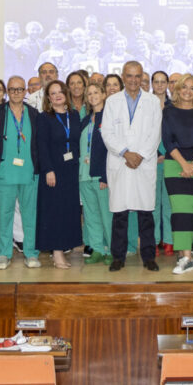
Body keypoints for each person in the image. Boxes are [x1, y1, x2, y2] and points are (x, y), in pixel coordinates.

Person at [101, 61, 163, 272]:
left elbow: (156, 133)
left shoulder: (153, 101)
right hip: (120, 161)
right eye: (129, 76)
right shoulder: (112, 102)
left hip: (143, 163)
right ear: (123, 77)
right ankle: (118, 257)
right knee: (120, 214)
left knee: (146, 213)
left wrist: (141, 155)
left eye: (138, 76)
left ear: (142, 77)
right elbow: (107, 133)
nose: (134, 80)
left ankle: (148, 256)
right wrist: (125, 153)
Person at [0, 76, 41, 270]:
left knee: (30, 215)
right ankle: (4, 254)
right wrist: (0, 160)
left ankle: (31, 253)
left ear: (25, 92)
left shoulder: (34, 114)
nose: (16, 93)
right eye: (12, 89)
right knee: (4, 214)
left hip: (29, 172)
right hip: (5, 173)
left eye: (20, 89)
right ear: (8, 92)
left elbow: (39, 142)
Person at [161, 74, 193, 275]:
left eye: (192, 88)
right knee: (179, 212)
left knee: (190, 212)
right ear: (177, 90)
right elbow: (168, 141)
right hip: (175, 165)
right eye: (184, 87)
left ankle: (186, 256)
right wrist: (184, 164)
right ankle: (187, 257)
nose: (188, 91)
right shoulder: (169, 111)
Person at [34, 80, 83, 269]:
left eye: (60, 92)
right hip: (53, 171)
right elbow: (42, 146)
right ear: (48, 98)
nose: (57, 95)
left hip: (71, 170)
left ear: (65, 93)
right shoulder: (44, 117)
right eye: (53, 93)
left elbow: (76, 143)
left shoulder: (75, 115)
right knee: (54, 212)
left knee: (69, 212)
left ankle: (64, 247)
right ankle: (56, 253)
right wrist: (48, 170)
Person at [79, 81, 112, 265]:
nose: (92, 96)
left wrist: (106, 176)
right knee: (90, 215)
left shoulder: (109, 118)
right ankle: (97, 249)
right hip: (84, 175)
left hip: (101, 175)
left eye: (96, 93)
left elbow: (111, 150)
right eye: (89, 94)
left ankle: (112, 249)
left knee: (107, 215)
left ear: (104, 94)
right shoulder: (85, 119)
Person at [151, 71, 174, 256]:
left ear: (167, 84)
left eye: (162, 82)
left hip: (170, 158)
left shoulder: (173, 105)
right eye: (156, 82)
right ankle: (153, 239)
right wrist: (155, 153)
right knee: (152, 203)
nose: (159, 85)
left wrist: (166, 154)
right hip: (150, 160)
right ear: (151, 84)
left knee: (168, 202)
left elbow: (176, 132)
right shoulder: (145, 104)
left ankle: (169, 240)